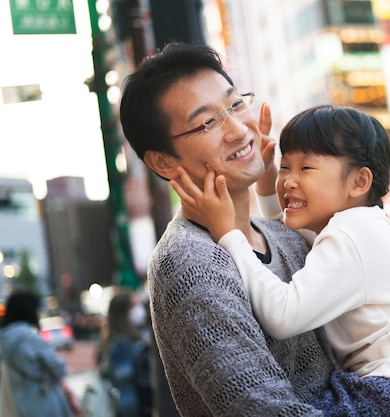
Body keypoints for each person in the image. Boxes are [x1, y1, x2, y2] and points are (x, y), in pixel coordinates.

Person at [173, 105, 390, 416]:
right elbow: (287, 227)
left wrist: (228, 233)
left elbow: (283, 315)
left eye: (305, 169)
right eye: (285, 167)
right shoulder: (360, 226)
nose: (288, 180)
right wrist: (266, 181)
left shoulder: (349, 233)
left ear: (359, 182)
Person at [118, 41, 335, 416]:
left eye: (235, 105)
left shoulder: (283, 236)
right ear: (163, 162)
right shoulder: (188, 264)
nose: (238, 129)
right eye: (207, 122)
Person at [0, 290, 82, 417]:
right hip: (42, 404)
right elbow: (59, 368)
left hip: (17, 403)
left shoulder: (4, 339)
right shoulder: (29, 338)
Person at [97, 292, 152, 417]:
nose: (139, 310)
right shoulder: (121, 343)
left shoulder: (129, 337)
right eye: (134, 306)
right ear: (123, 312)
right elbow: (125, 386)